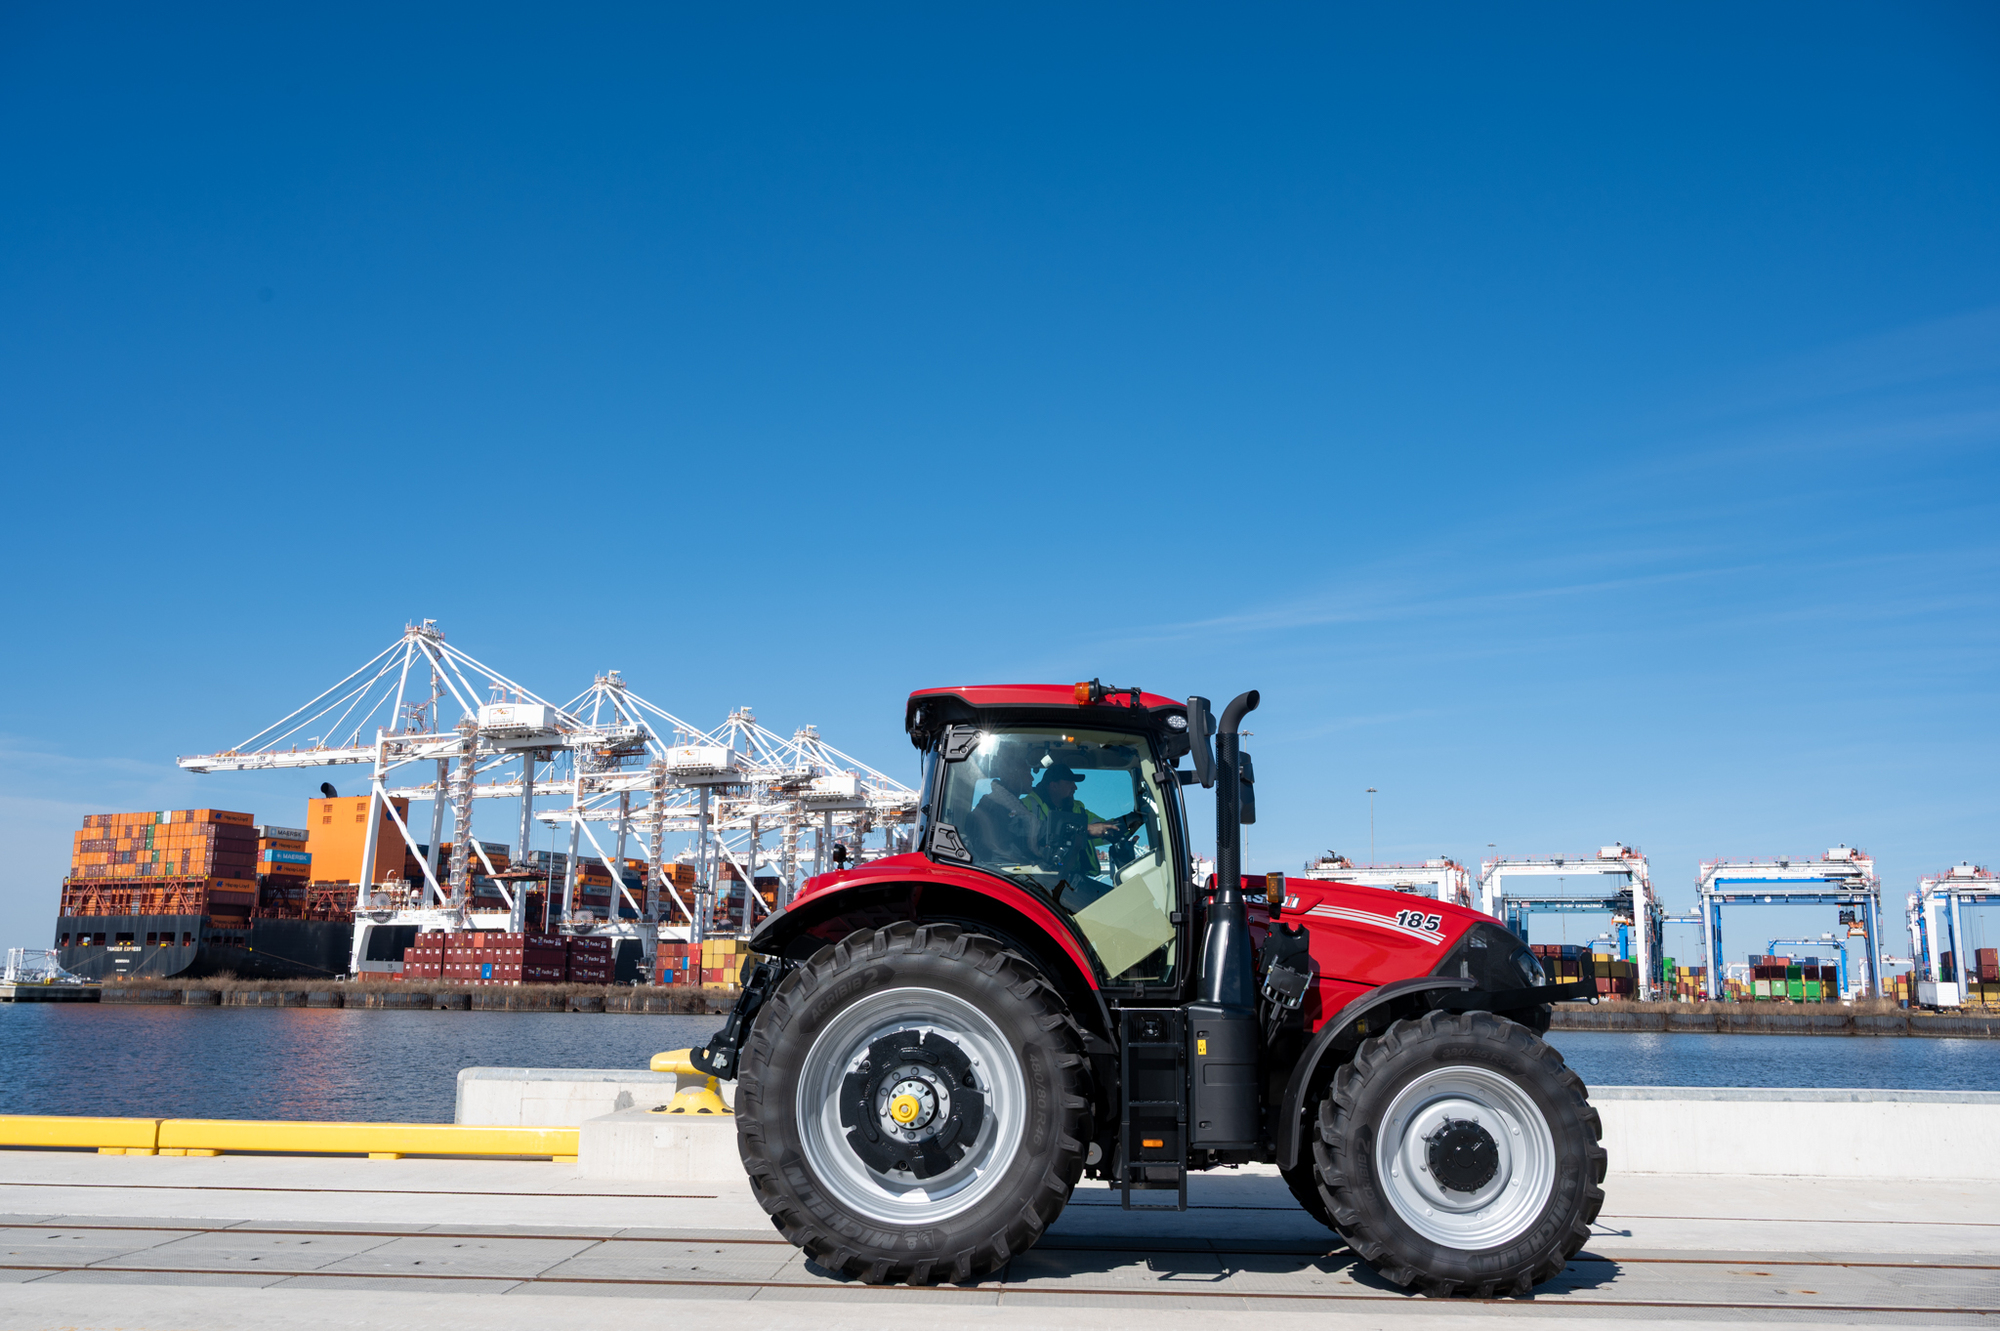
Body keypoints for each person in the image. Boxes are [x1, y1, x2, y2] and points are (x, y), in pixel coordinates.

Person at [1021, 764, 1120, 905]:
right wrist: (1084, 829)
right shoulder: (1026, 806)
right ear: (1053, 786)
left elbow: (1103, 828)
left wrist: (1129, 823)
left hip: (1071, 878)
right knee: (1113, 904)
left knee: (1116, 900)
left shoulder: (1076, 809)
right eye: (1069, 783)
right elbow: (1031, 834)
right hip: (1040, 879)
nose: (1075, 787)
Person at [965, 745, 1045, 865]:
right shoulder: (997, 804)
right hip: (997, 869)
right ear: (1014, 776)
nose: (1032, 778)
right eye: (1027, 773)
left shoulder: (1007, 803)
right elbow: (999, 847)